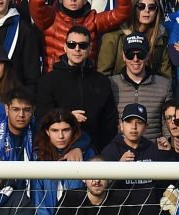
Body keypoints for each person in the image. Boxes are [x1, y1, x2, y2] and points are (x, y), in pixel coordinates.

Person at [36, 25, 118, 153]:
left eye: (83, 45)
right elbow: (42, 117)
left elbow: (109, 125)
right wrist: (67, 117)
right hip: (56, 153)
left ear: (90, 49)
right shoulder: (48, 80)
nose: (77, 49)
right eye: (72, 44)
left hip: (94, 152)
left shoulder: (102, 82)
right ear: (65, 47)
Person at [31, 109, 94, 215]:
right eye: (55, 130)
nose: (61, 136)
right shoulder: (38, 156)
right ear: (47, 131)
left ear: (73, 131)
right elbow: (39, 206)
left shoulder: (87, 154)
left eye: (65, 130)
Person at [29, 0, 127, 74]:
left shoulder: (93, 20)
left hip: (85, 81)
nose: (73, 0)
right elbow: (36, 5)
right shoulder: (51, 17)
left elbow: (122, 13)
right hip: (55, 80)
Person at [107, 32, 172, 141]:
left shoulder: (164, 85)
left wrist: (168, 142)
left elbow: (168, 122)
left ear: (148, 55)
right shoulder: (111, 84)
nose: (135, 59)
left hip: (153, 150)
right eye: (130, 54)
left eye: (140, 54)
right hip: (120, 151)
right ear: (123, 56)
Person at [97, 0, 171, 79]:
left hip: (152, 89)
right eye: (141, 6)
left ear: (157, 11)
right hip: (118, 89)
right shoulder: (113, 36)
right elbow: (102, 75)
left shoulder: (161, 37)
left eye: (152, 7)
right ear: (133, 8)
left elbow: (166, 76)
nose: (147, 10)